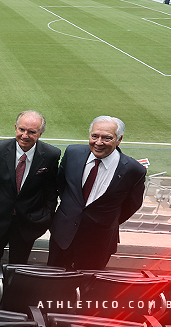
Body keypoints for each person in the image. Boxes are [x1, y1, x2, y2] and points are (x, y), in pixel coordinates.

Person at [48, 116, 145, 270]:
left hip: (99, 242)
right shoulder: (73, 153)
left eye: (107, 138)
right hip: (63, 236)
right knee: (53, 279)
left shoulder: (133, 170)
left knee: (89, 283)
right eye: (95, 136)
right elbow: (61, 185)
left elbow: (132, 205)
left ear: (119, 140)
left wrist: (103, 221)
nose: (99, 142)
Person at [0, 110, 61, 264]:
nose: (25, 135)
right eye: (22, 129)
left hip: (27, 223)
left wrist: (46, 217)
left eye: (32, 132)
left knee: (18, 266)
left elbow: (50, 190)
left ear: (40, 133)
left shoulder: (51, 155)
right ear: (16, 127)